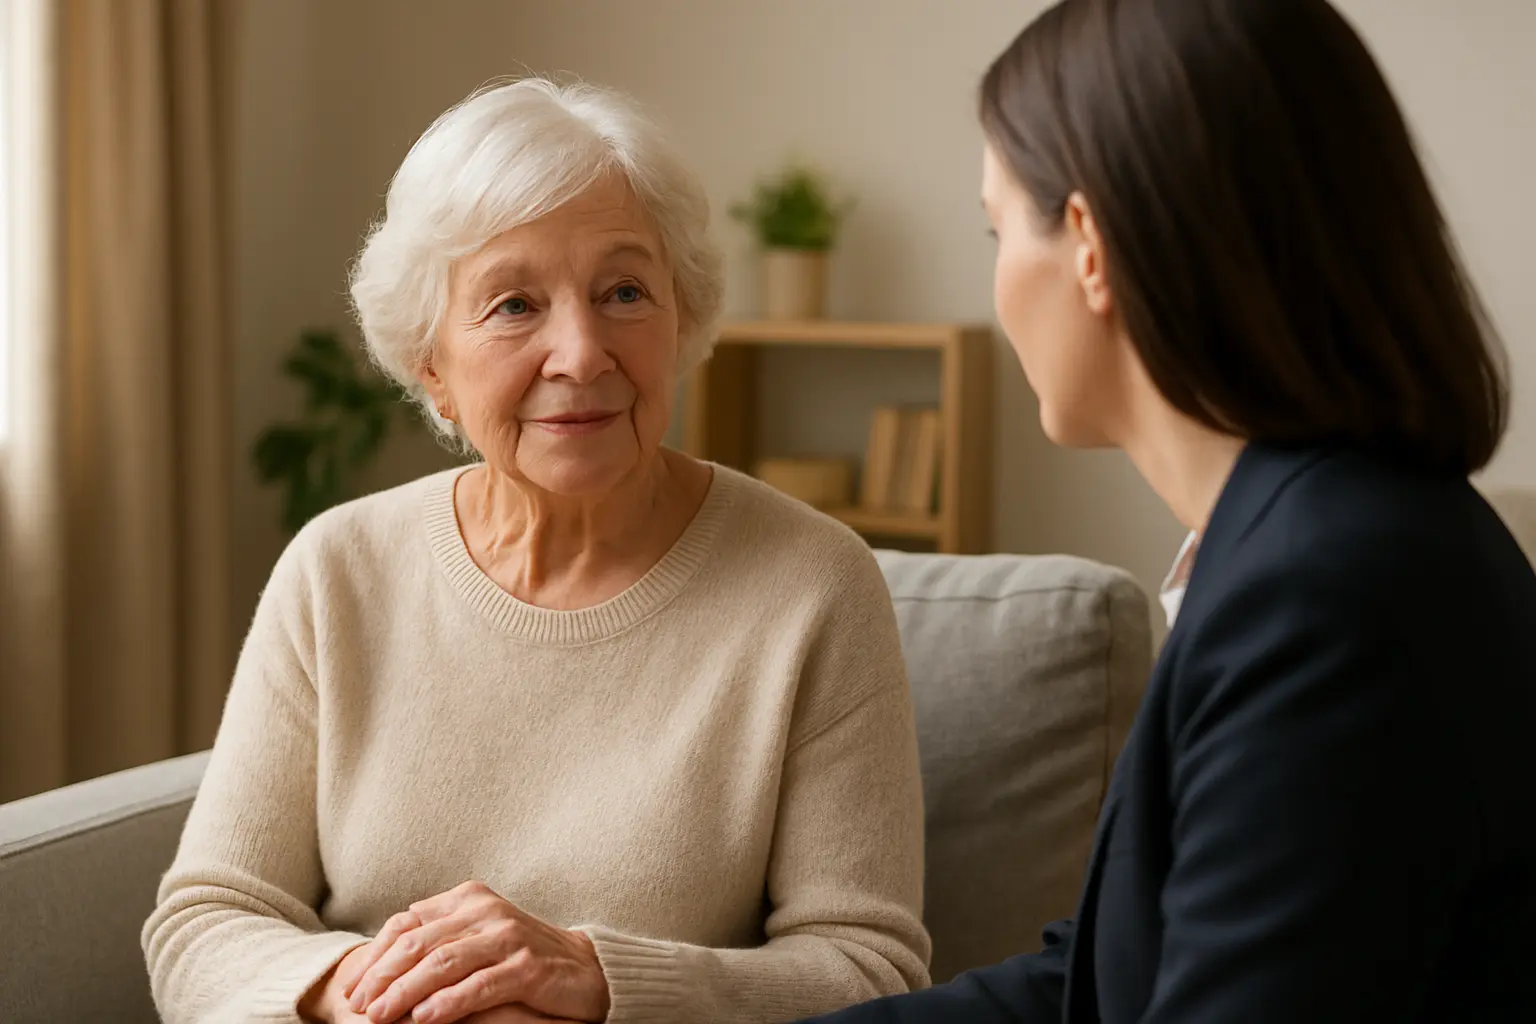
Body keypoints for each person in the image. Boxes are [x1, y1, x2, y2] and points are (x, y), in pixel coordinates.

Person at [801, 0, 1536, 1020]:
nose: (997, 274)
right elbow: (1092, 983)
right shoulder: (1318, 544)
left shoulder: (1330, 599)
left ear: (1091, 246)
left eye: (996, 225)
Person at [142, 78, 931, 1024]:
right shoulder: (337, 569)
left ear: (681, 320)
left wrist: (594, 980)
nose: (582, 352)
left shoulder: (814, 585)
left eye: (625, 292)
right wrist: (405, 999)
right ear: (432, 365)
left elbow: (869, 972)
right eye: (514, 304)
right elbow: (205, 922)